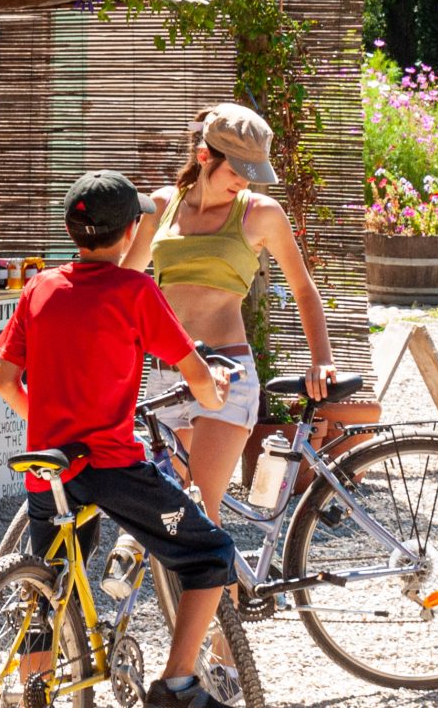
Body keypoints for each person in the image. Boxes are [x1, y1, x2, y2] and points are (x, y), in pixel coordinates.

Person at [0, 171, 240, 708]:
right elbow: (195, 372)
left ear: (69, 230)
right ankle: (177, 685)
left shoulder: (39, 289)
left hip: (48, 466)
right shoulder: (134, 290)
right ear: (131, 233)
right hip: (110, 466)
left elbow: (6, 382)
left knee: (48, 584)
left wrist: (52, 429)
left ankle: (34, 691)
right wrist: (216, 394)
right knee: (212, 554)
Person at [123, 103, 339, 521]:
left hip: (227, 376)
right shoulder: (163, 205)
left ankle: (217, 582)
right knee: (166, 520)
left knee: (196, 516)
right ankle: (237, 590)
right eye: (235, 172)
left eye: (251, 175)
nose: (243, 184)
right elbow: (122, 284)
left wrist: (322, 360)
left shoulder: (260, 213)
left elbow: (304, 290)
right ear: (205, 157)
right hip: (167, 377)